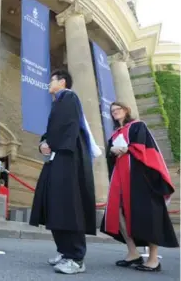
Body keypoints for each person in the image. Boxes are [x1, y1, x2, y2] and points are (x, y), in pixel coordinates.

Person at [29, 69, 99, 275]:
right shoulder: (58, 101)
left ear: (62, 82)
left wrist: (51, 143)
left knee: (69, 205)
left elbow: (67, 128)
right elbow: (52, 131)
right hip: (57, 156)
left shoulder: (69, 97)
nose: (49, 84)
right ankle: (64, 250)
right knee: (55, 204)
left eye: (52, 80)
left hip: (67, 157)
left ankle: (76, 258)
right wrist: (43, 142)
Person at [100, 102, 179, 272]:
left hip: (140, 178)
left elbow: (145, 149)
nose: (115, 113)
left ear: (126, 110)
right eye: (112, 111)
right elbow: (109, 156)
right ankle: (133, 252)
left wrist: (126, 148)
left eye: (118, 109)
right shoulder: (114, 134)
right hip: (120, 180)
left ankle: (153, 260)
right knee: (118, 212)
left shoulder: (138, 126)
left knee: (149, 214)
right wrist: (112, 151)